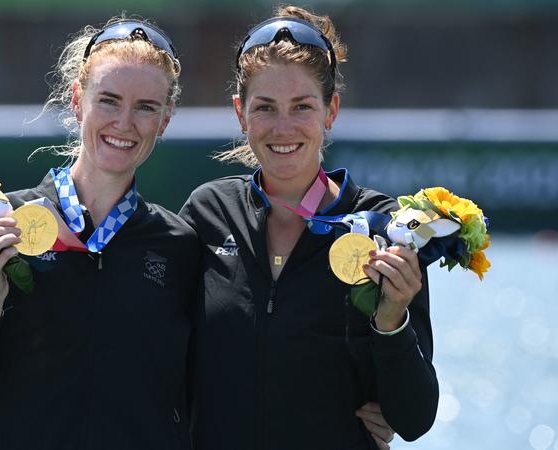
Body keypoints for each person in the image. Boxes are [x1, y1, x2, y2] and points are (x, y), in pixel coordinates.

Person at [0, 18, 200, 449]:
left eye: (145, 107)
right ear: (77, 101)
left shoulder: (179, 246)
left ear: (165, 119)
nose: (125, 122)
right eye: (108, 100)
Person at [179, 6, 438, 450]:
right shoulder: (207, 212)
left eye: (302, 106)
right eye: (265, 108)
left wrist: (392, 322)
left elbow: (413, 419)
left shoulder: (381, 226)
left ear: (331, 110)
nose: (284, 127)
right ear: (241, 113)